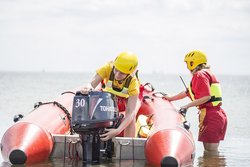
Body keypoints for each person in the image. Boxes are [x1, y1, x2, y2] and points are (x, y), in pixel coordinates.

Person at [164, 50, 227, 151]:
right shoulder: (206, 74)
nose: (186, 66)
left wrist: (187, 106)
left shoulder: (200, 75)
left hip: (211, 115)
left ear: (193, 63)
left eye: (187, 63)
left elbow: (206, 97)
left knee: (210, 152)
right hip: (217, 115)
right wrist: (171, 98)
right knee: (211, 153)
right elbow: (187, 93)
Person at [80, 51, 141, 141]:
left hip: (124, 101)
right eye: (116, 70)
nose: (117, 75)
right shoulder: (108, 68)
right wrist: (87, 88)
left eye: (122, 73)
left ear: (129, 74)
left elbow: (130, 112)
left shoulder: (133, 83)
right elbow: (91, 84)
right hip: (107, 97)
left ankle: (128, 144)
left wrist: (117, 131)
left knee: (131, 119)